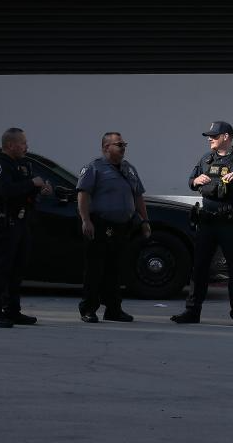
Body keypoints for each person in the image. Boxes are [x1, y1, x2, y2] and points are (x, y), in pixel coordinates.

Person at [171, 121, 233, 327]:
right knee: (199, 268)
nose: (210, 139)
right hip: (207, 221)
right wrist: (196, 181)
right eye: (209, 136)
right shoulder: (206, 159)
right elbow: (190, 181)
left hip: (230, 221)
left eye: (214, 136)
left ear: (226, 136)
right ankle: (192, 312)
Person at [76, 132, 151, 323]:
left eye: (124, 144)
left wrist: (145, 221)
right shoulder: (94, 168)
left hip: (123, 227)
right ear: (105, 147)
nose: (123, 147)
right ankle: (88, 309)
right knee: (95, 269)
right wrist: (85, 220)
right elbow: (83, 195)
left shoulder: (129, 169)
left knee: (116, 269)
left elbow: (138, 197)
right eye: (119, 144)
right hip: (100, 225)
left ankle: (113, 309)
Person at [0, 127, 52, 328]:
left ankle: (12, 310)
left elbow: (27, 193)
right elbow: (6, 191)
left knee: (17, 269)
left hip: (22, 222)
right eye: (22, 143)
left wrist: (41, 189)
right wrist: (32, 183)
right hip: (4, 222)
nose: (26, 146)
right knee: (1, 268)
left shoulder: (22, 165)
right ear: (10, 145)